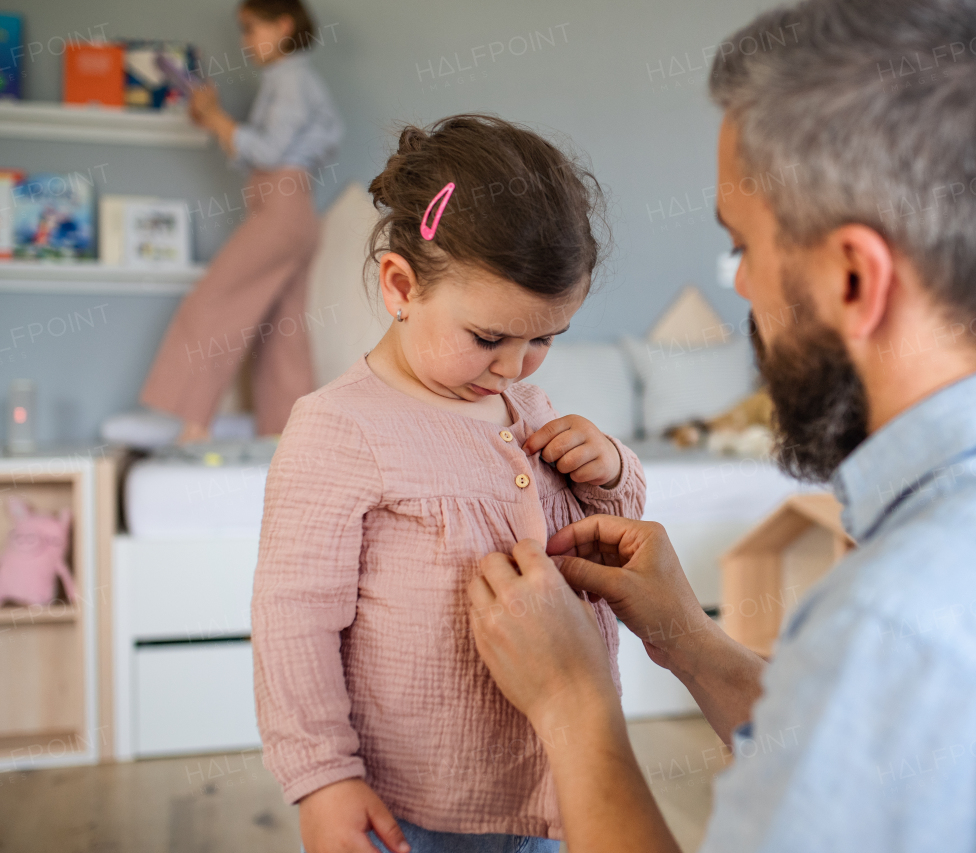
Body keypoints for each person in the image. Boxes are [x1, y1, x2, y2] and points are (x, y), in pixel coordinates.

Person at [465, 1, 976, 851]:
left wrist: (574, 705)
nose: (740, 286)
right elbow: (884, 759)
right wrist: (690, 641)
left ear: (855, 277)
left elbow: (902, 686)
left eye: (744, 248)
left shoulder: (904, 632)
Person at [251, 116, 645, 853]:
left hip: (563, 786)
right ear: (400, 286)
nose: (514, 367)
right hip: (422, 805)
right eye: (490, 338)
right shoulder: (338, 427)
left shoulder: (527, 407)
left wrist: (613, 469)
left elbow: (609, 535)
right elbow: (292, 620)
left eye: (544, 339)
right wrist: (323, 776)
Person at [140, 0, 342, 442]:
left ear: (283, 24)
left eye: (251, 28)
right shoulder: (294, 80)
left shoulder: (290, 78)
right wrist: (216, 123)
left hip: (282, 211)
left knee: (214, 303)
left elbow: (268, 152)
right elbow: (303, 143)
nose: (244, 40)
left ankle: (194, 426)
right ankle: (291, 439)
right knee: (281, 332)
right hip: (293, 211)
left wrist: (216, 117)